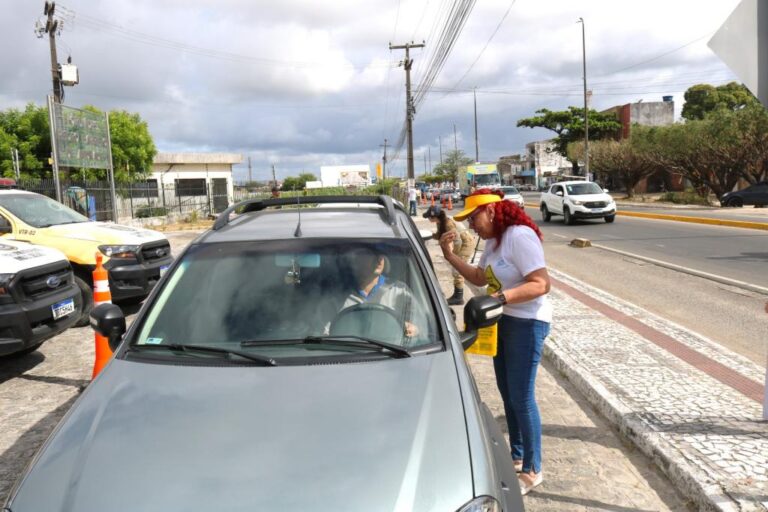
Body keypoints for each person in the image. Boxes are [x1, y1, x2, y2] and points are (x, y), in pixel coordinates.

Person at [439, 188, 551, 496]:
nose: (471, 225)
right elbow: (478, 277)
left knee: (522, 396)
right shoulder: (494, 242)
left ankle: (533, 468)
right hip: (502, 321)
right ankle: (516, 456)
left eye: (473, 218)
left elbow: (541, 283)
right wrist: (449, 256)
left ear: (491, 211)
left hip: (528, 323)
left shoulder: (519, 236)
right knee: (507, 393)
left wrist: (500, 298)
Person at [338, 247, 426, 340]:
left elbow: (422, 325)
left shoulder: (399, 290)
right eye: (371, 254)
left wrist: (415, 329)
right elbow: (325, 335)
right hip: (348, 351)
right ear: (354, 261)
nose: (379, 259)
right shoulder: (337, 298)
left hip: (392, 351)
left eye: (381, 255)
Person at [423, 204, 475, 305]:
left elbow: (458, 241)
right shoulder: (440, 222)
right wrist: (429, 235)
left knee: (457, 270)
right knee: (456, 269)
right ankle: (457, 295)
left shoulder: (447, 224)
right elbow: (439, 235)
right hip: (462, 243)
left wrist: (454, 256)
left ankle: (458, 297)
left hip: (465, 244)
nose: (428, 218)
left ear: (434, 217)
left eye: (429, 217)